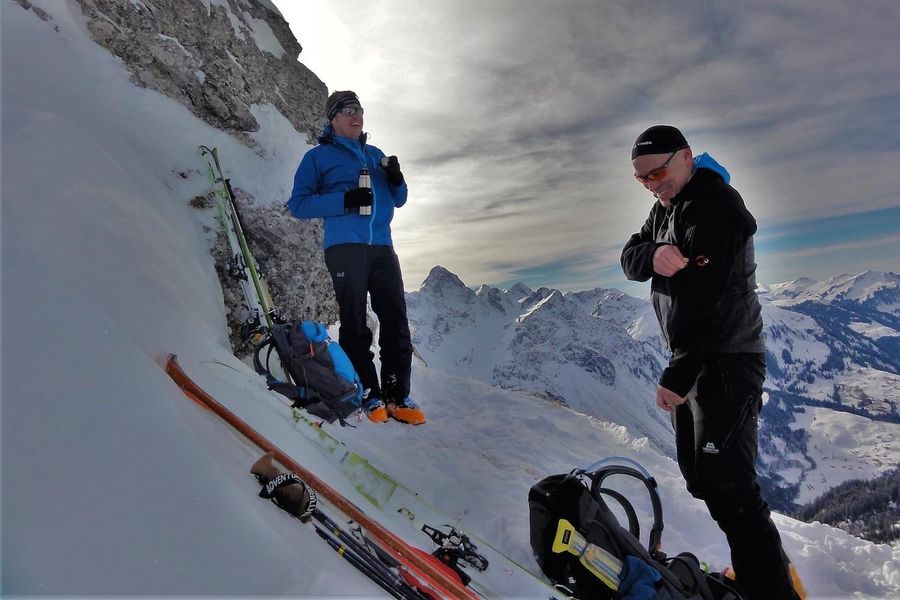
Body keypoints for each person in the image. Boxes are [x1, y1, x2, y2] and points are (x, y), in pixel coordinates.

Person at [620, 125, 804, 599]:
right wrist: (653, 253)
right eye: (641, 178)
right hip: (698, 362)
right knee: (702, 478)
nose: (651, 185)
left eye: (657, 172)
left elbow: (706, 298)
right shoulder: (666, 207)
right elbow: (628, 258)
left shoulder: (716, 205)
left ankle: (772, 589)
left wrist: (678, 374)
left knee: (730, 487)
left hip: (727, 360)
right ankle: (764, 568)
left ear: (685, 157)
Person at [288, 90, 424, 425]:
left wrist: (397, 179)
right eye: (348, 110)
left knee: (395, 320)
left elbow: (400, 199)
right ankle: (368, 392)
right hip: (344, 247)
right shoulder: (318, 157)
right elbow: (299, 204)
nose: (356, 116)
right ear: (332, 119)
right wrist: (345, 200)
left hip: (382, 247)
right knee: (354, 322)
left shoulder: (376, 155)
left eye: (359, 110)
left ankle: (397, 395)